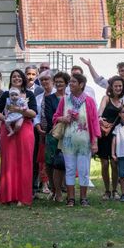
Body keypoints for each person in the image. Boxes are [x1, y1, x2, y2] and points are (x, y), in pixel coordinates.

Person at [52, 73, 100, 207]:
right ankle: (71, 198)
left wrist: (95, 142)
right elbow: (55, 117)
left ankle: (83, 198)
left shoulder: (89, 101)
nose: (70, 84)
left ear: (81, 85)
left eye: (73, 82)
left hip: (85, 143)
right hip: (68, 142)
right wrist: (63, 119)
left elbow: (94, 122)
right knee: (70, 169)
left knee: (84, 170)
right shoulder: (64, 100)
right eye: (70, 82)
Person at [0, 69, 37, 206]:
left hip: (25, 129)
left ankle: (22, 198)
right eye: (14, 77)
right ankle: (8, 197)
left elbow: (34, 113)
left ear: (23, 79)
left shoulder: (29, 94)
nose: (16, 78)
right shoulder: (6, 94)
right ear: (10, 79)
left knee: (24, 162)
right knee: (8, 161)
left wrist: (18, 111)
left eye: (19, 76)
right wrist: (7, 118)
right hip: (8, 130)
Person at [97, 75, 124, 200]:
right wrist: (100, 119)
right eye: (116, 86)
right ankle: (107, 190)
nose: (118, 88)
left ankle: (115, 190)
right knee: (104, 164)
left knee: (114, 163)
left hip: (116, 136)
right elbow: (100, 111)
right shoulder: (106, 98)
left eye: (120, 86)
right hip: (104, 135)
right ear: (111, 87)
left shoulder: (123, 103)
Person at [42, 72, 69, 202]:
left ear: (66, 83)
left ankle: (62, 189)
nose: (58, 84)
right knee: (50, 163)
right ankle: (54, 190)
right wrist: (62, 119)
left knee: (63, 162)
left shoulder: (70, 98)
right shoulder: (49, 98)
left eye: (61, 82)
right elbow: (48, 116)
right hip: (53, 133)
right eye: (56, 81)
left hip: (68, 134)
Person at [34, 70, 54, 196]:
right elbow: (35, 114)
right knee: (42, 159)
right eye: (42, 80)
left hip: (55, 131)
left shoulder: (58, 95)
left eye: (47, 79)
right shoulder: (38, 97)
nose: (44, 82)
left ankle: (56, 187)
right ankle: (44, 184)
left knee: (54, 160)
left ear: (52, 80)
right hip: (41, 132)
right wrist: (37, 125)